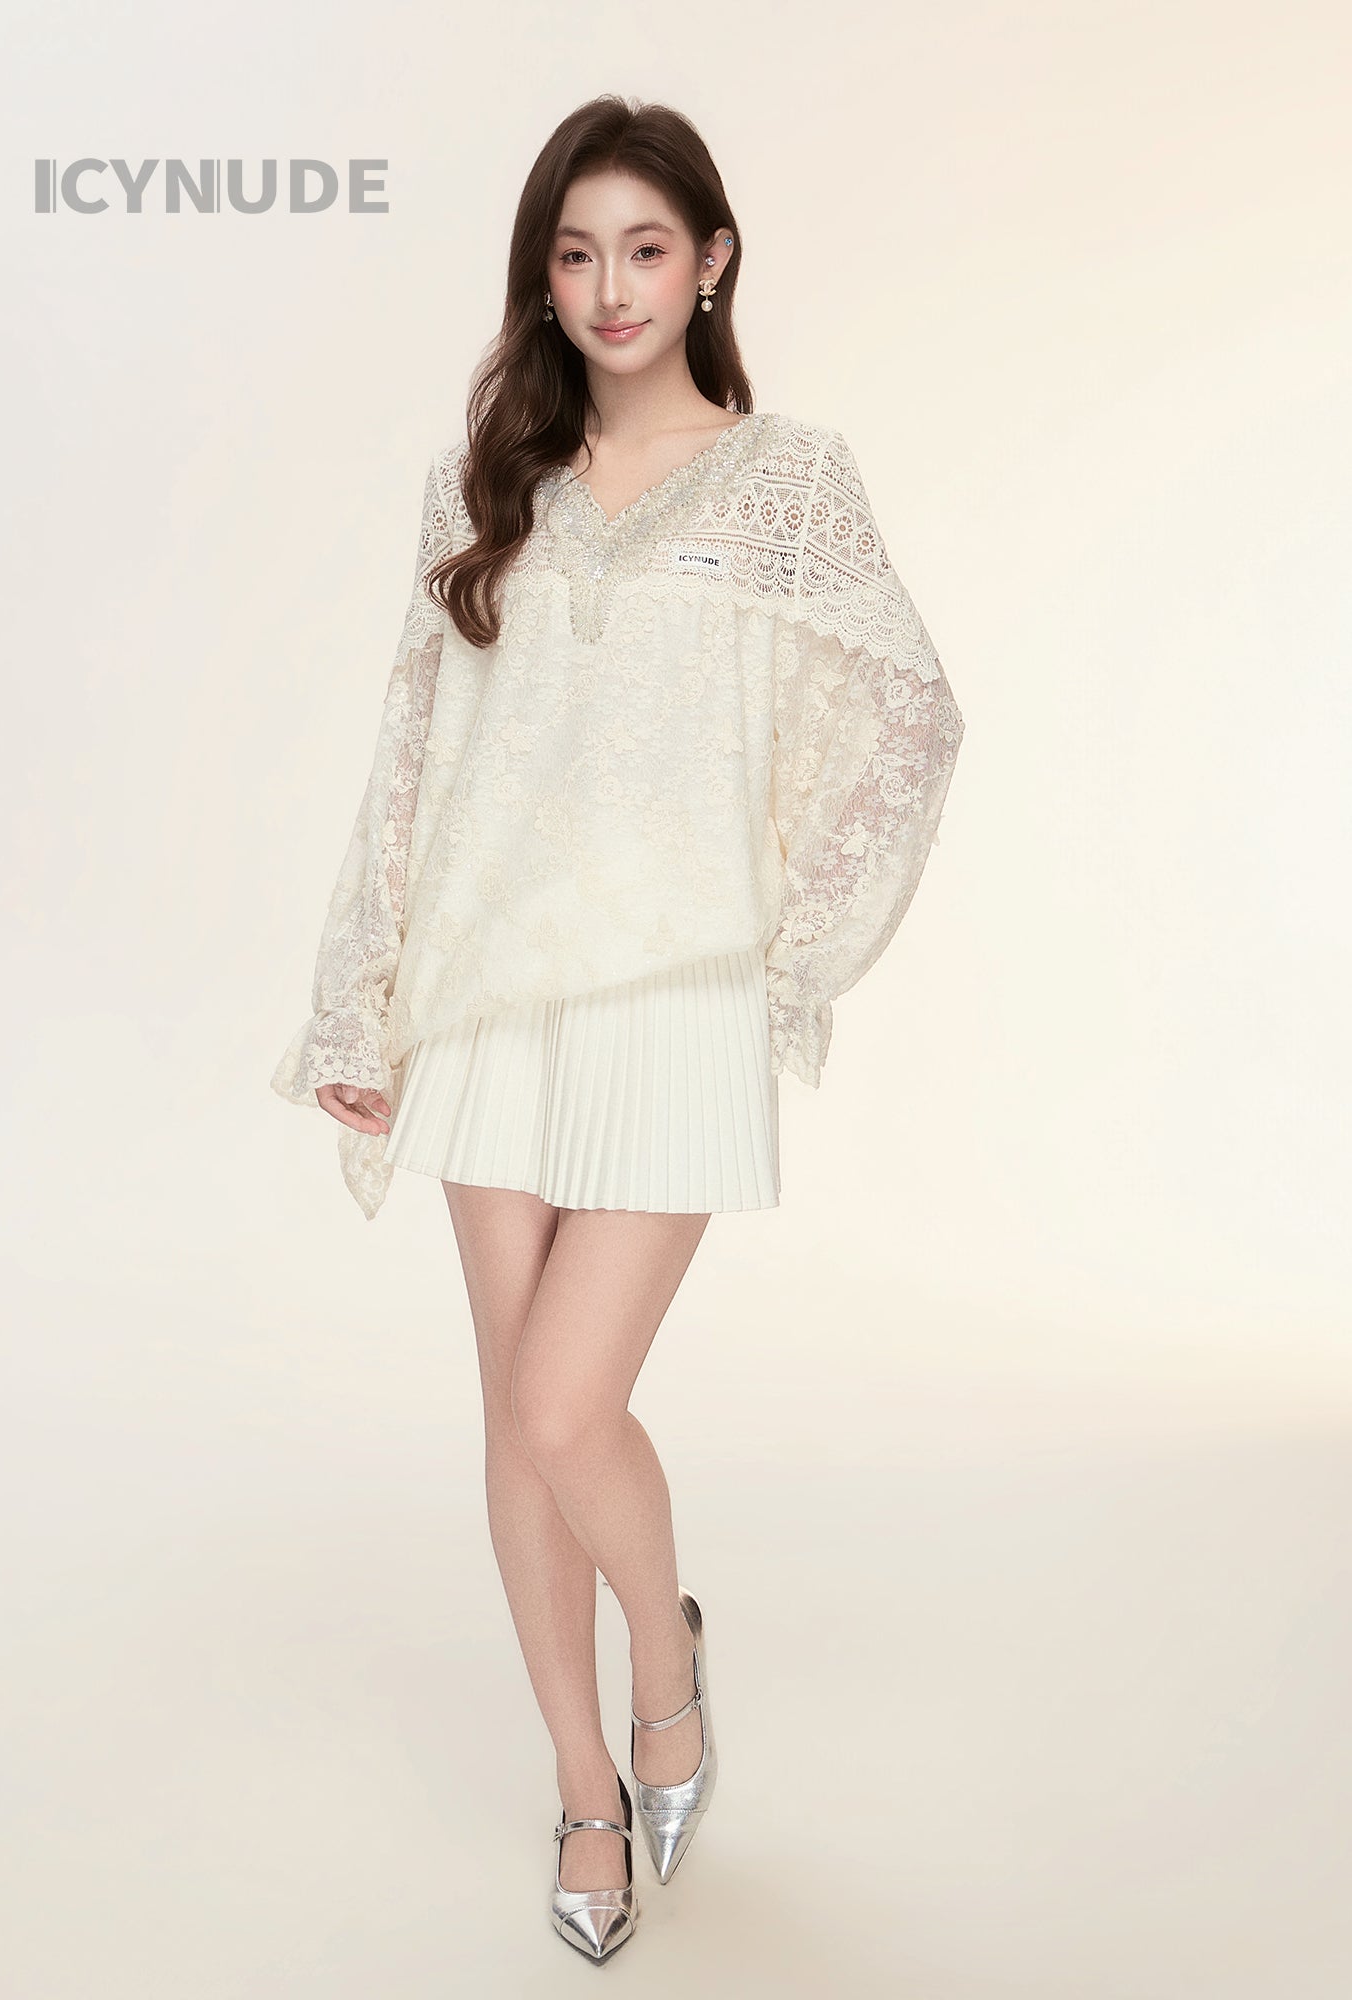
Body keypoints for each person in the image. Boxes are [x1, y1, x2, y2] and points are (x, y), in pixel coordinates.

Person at [270, 94, 965, 1963]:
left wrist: (782, 943)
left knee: (568, 1403)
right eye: (575, 254)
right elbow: (415, 748)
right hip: (483, 991)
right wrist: (362, 998)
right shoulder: (486, 486)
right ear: (545, 278)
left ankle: (668, 1662)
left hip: (671, 998)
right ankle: (587, 1784)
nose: (609, 287)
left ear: (710, 262)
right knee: (516, 1416)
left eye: (645, 248)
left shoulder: (790, 480)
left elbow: (913, 711)